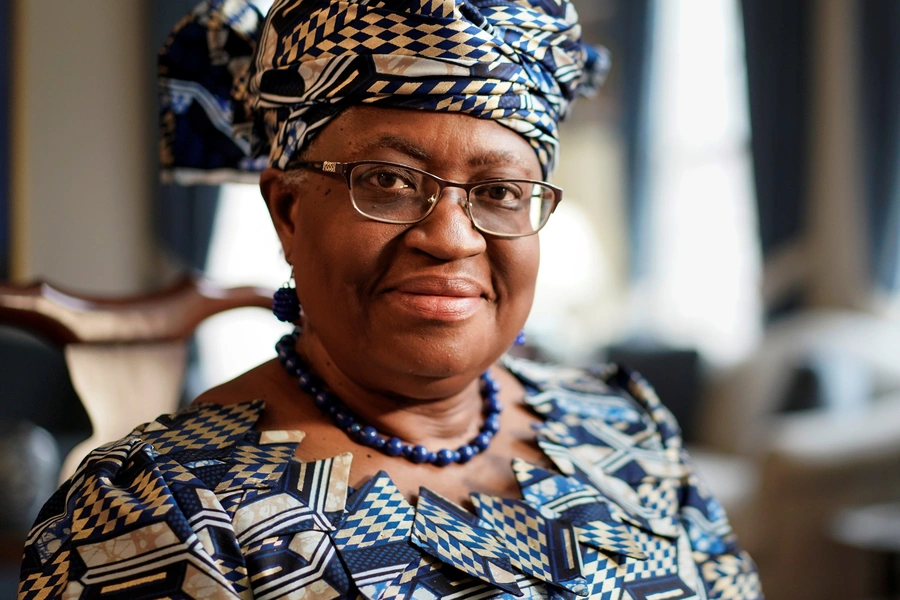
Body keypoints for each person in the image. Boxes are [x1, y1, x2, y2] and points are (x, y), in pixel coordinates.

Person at [19, 1, 763, 598]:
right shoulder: (163, 515)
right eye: (386, 180)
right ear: (287, 210)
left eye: (501, 191)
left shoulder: (624, 425)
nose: (450, 238)